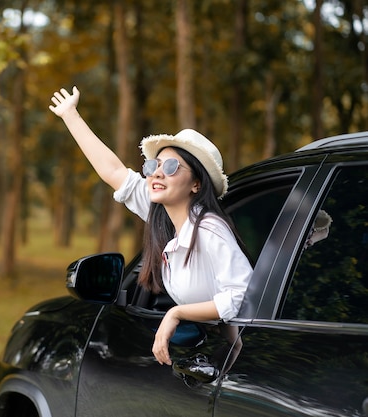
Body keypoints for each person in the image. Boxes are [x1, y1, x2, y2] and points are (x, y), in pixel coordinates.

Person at [49, 86, 253, 366]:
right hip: (218, 357)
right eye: (154, 165)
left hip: (243, 360)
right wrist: (70, 115)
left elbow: (243, 295)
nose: (157, 172)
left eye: (171, 167)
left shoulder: (208, 228)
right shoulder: (167, 216)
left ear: (196, 183)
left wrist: (177, 313)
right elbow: (114, 172)